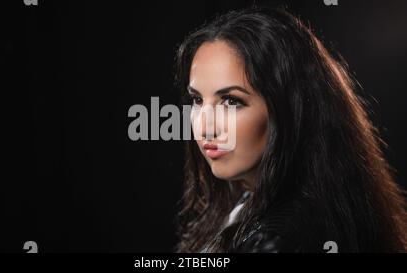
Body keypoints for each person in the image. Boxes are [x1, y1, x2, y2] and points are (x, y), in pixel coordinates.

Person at [174, 7, 407, 253]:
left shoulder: (282, 240)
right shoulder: (250, 205)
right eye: (197, 100)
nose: (205, 127)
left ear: (289, 109)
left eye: (231, 101)